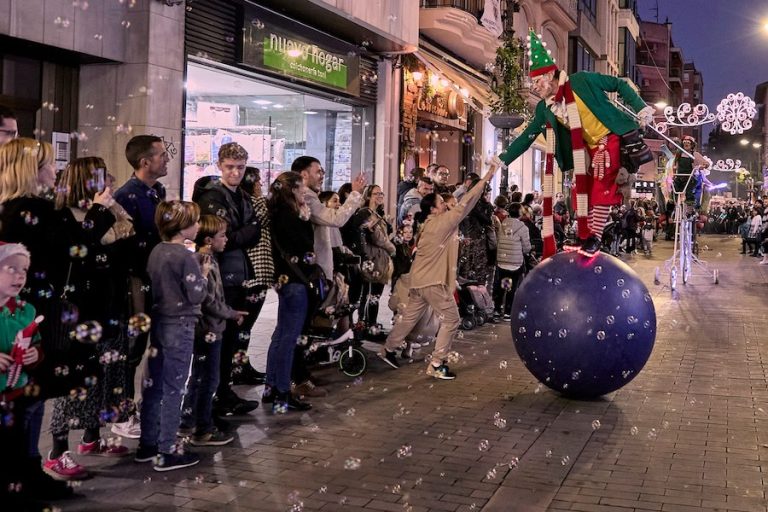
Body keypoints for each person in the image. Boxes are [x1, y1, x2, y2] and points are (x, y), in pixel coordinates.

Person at [0, 138, 115, 497]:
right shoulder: (31, 211)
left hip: (23, 314)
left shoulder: (14, 209)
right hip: (32, 318)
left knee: (27, 398)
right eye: (49, 165)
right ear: (30, 171)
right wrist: (99, 212)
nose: (56, 171)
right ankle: (23, 477)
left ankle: (26, 473)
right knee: (28, 399)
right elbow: (77, 249)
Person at [498, 29, 656, 257]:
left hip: (611, 136)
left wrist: (640, 107)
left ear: (550, 74)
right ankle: (585, 235)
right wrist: (503, 159)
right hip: (586, 151)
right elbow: (528, 136)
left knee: (602, 185)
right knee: (580, 191)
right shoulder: (546, 107)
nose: (533, 86)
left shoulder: (581, 81)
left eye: (536, 81)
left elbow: (619, 85)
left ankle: (595, 237)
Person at [45, 157, 135, 481]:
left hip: (106, 306)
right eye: (104, 176)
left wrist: (115, 214)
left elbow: (124, 244)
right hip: (77, 312)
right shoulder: (64, 218)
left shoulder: (104, 214)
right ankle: (57, 452)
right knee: (73, 382)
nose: (111, 181)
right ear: (89, 181)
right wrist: (101, 212)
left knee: (99, 375)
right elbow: (79, 249)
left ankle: (91, 438)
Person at [377, 159, 501, 380]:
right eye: (442, 203)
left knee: (408, 319)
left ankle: (388, 349)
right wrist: (488, 176)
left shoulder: (427, 224)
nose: (446, 205)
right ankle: (437, 362)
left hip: (419, 280)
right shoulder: (441, 222)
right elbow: (468, 201)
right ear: (433, 209)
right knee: (452, 320)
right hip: (432, 282)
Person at [136, 200, 207, 472]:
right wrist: (203, 273)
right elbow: (196, 294)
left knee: (153, 385)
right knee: (175, 386)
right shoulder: (186, 256)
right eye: (195, 221)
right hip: (181, 324)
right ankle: (167, 450)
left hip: (159, 323)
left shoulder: (156, 251)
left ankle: (148, 444)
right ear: (182, 226)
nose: (199, 226)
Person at [193, 143, 263, 417]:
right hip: (220, 276)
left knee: (232, 341)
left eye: (240, 167)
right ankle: (213, 400)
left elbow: (251, 233)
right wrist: (247, 231)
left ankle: (224, 393)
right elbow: (226, 237)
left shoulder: (242, 197)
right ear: (220, 166)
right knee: (217, 343)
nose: (235, 172)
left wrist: (244, 232)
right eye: (230, 167)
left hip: (238, 275)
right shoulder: (212, 197)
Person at [112, 134, 169, 440]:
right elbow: (127, 244)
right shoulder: (127, 196)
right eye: (161, 154)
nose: (167, 158)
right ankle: (121, 414)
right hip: (136, 280)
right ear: (145, 162)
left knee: (145, 346)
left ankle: (142, 406)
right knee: (131, 348)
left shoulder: (156, 191)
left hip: (153, 277)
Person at [179, 215, 246, 446]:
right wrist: (230, 313)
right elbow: (207, 298)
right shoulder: (202, 261)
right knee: (208, 380)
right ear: (208, 239)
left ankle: (188, 422)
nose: (226, 239)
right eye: (222, 235)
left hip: (208, 327)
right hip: (207, 329)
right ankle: (203, 430)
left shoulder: (209, 259)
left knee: (199, 377)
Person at [0, 242, 45, 510]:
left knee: (14, 454)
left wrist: (34, 355)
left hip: (16, 396)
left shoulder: (26, 311)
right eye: (11, 269)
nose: (20, 276)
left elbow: (36, 343)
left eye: (24, 270)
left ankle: (16, 497)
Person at [264, 172, 313, 413]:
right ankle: (282, 391)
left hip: (285, 279)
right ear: (292, 189)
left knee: (281, 333)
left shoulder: (276, 211)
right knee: (289, 337)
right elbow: (305, 246)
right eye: (302, 187)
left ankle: (271, 386)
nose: (305, 191)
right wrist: (305, 216)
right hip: (295, 279)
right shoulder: (290, 215)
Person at [354, 184, 395, 330]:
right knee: (371, 293)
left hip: (378, 258)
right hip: (372, 258)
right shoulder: (366, 213)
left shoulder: (377, 214)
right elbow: (378, 238)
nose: (380, 196)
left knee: (372, 293)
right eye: (376, 194)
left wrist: (388, 225)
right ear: (369, 196)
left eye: (381, 193)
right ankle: (366, 324)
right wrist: (392, 248)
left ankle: (369, 322)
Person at [493, 202, 531, 320]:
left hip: (502, 261)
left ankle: (497, 310)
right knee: (512, 288)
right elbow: (526, 247)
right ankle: (508, 312)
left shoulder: (503, 224)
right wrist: (529, 250)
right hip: (515, 263)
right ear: (520, 213)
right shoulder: (523, 227)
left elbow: (499, 239)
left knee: (503, 285)